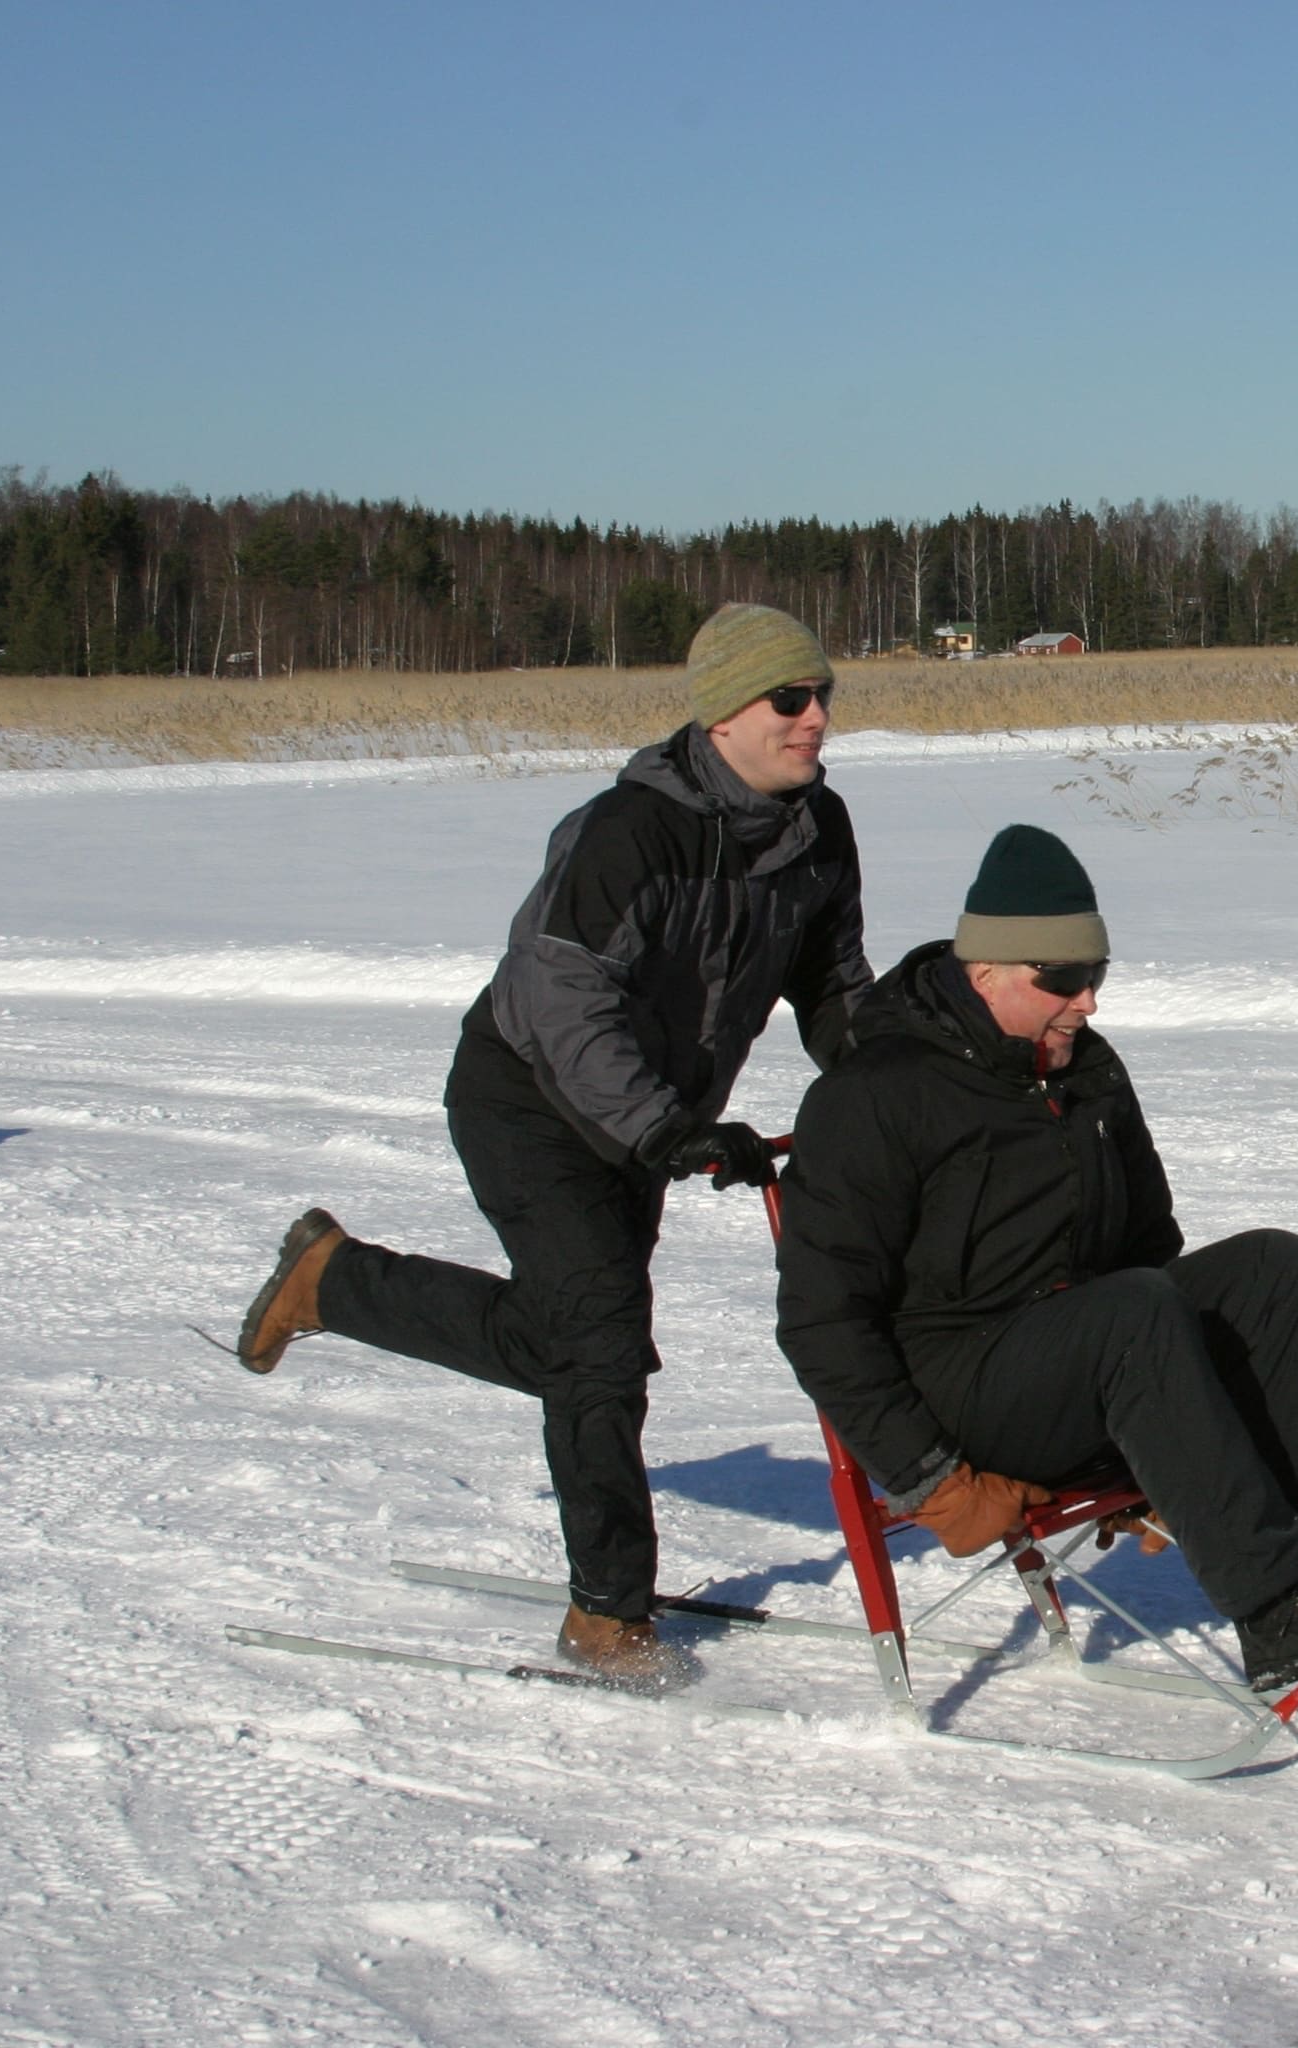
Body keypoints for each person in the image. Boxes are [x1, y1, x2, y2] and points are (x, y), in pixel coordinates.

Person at [228, 602, 874, 1689]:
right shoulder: (630, 830)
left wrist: (884, 1081)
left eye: (824, 697)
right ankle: (605, 1613)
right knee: (600, 1350)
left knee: (575, 1340)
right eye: (790, 698)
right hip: (530, 1097)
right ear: (723, 714)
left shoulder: (818, 829)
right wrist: (666, 1128)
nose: (815, 719)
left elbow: (831, 981)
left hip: (642, 1119)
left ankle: (333, 1280)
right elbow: (564, 997)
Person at [773, 824, 1298, 1694]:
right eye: (1061, 980)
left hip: (1086, 1348)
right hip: (959, 1387)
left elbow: (1149, 1246)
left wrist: (1179, 1423)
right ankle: (1279, 1608)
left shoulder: (1087, 1071)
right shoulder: (873, 1095)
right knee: (1134, 1313)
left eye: (1096, 977)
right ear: (982, 970)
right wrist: (932, 1481)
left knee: (1272, 1268)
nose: (1088, 1003)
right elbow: (820, 1321)